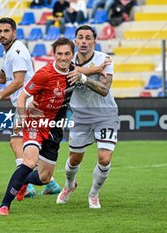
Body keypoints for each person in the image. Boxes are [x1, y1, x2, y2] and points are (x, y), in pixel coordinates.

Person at [0, 17, 61, 197]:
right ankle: (50, 183)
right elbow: (1, 77)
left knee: (17, 142)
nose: (2, 35)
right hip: (25, 104)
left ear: (14, 32)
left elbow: (18, 81)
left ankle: (27, 185)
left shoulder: (16, 51)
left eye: (6, 31)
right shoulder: (9, 52)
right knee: (25, 145)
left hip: (28, 104)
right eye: (0, 31)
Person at [0, 37, 76, 216]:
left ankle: (23, 182)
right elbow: (22, 96)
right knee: (29, 162)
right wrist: (23, 118)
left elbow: (87, 72)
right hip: (34, 123)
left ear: (72, 55)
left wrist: (99, 68)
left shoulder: (74, 73)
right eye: (59, 53)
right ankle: (4, 205)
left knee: (44, 177)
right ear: (53, 54)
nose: (63, 57)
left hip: (54, 128)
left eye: (67, 54)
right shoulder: (44, 73)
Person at [55, 25, 117, 209]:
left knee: (104, 158)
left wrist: (83, 78)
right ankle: (69, 186)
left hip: (105, 114)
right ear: (75, 40)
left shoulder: (104, 60)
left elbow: (105, 90)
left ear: (94, 41)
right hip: (80, 115)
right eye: (80, 37)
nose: (83, 41)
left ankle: (94, 194)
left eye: (88, 38)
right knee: (74, 159)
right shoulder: (67, 58)